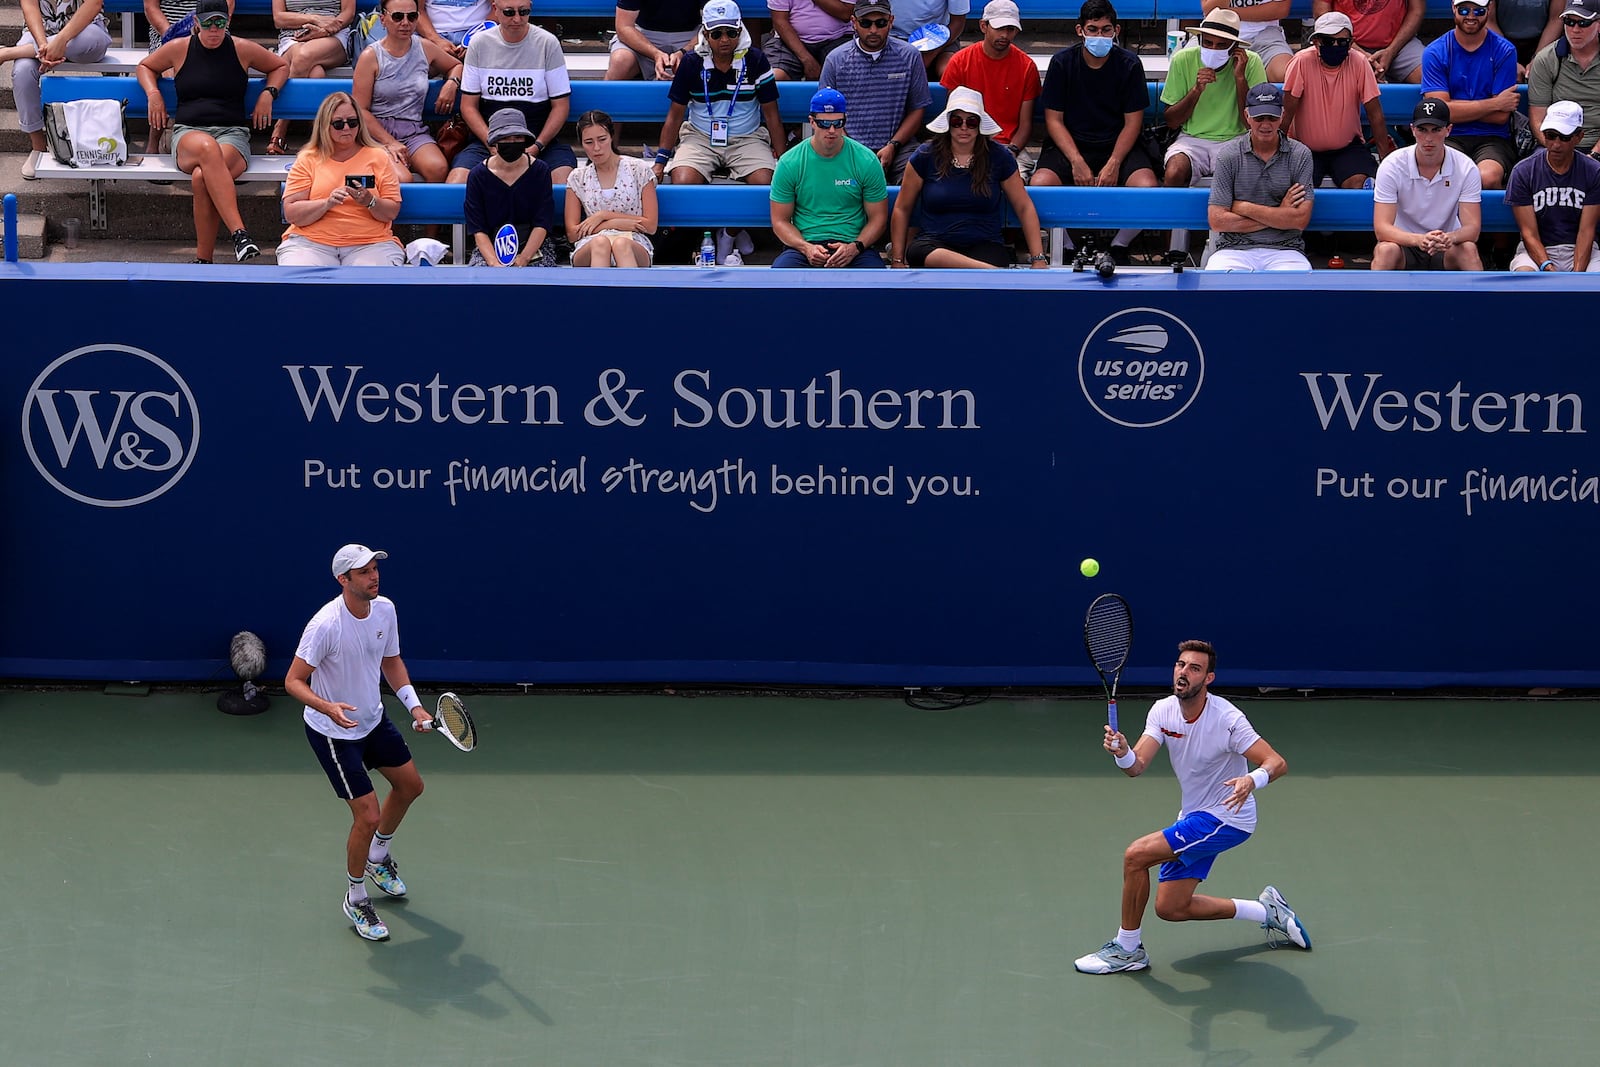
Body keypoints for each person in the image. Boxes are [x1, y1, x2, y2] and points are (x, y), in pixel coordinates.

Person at [1074, 639, 1309, 975]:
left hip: (1228, 817)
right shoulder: (1162, 710)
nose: (1183, 673)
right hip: (1195, 815)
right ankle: (1267, 912)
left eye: (1194, 668)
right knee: (1171, 907)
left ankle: (1127, 949)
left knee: (1135, 855)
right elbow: (1136, 766)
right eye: (1180, 665)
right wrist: (1122, 750)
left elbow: (1277, 762)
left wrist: (1250, 781)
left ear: (1208, 679)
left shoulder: (1228, 719)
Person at [286, 544, 432, 944]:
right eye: (363, 572)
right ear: (343, 580)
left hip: (372, 719)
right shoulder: (325, 625)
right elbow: (293, 681)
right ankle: (355, 897)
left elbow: (391, 661)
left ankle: (378, 858)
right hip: (333, 732)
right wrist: (327, 706)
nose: (374, 576)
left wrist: (415, 708)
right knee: (366, 816)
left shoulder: (385, 609)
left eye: (374, 569)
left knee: (410, 786)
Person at [138, 0, 288, 264]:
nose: (214, 29)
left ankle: (203, 260)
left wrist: (268, 92)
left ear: (227, 22)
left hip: (233, 133)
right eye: (208, 23)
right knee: (207, 147)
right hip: (189, 133)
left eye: (220, 22)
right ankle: (240, 234)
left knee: (200, 177)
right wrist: (153, 93)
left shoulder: (241, 48)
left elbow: (280, 66)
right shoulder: (180, 48)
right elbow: (145, 66)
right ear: (196, 24)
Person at [1031, 1, 1158, 263]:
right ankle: (1066, 247)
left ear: (1116, 30)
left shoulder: (1130, 64)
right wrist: (1076, 161)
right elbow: (1053, 120)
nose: (1099, 36)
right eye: (1093, 29)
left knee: (1147, 188)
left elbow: (1133, 122)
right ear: (1080, 30)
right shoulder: (1062, 63)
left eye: (1105, 29)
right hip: (1071, 144)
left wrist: (1114, 162)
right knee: (1039, 185)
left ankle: (1118, 246)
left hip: (1118, 144)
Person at [888, 86, 1046, 267]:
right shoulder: (925, 155)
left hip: (985, 245)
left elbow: (1023, 206)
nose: (964, 127)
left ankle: (984, 269)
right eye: (957, 121)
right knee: (918, 251)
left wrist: (1038, 258)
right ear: (948, 123)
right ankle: (990, 272)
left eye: (971, 122)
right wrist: (897, 260)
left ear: (979, 124)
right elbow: (902, 208)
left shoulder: (999, 156)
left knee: (995, 257)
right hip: (934, 244)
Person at [1160, 10, 1266, 255]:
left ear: (1234, 47)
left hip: (1236, 139)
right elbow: (1172, 121)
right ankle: (1171, 251)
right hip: (1192, 139)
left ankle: (1227, 248)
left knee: (1229, 175)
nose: (1213, 48)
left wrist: (1240, 79)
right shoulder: (1183, 59)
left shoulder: (1252, 62)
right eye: (1208, 42)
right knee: (1174, 171)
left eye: (1221, 45)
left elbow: (1253, 123)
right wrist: (1196, 90)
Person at [653, 2, 784, 187]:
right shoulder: (691, 62)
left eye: (731, 33)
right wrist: (660, 162)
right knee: (683, 181)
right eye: (716, 33)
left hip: (747, 138)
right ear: (705, 34)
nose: (724, 39)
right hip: (700, 137)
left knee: (765, 182)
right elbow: (675, 117)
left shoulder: (756, 59)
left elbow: (772, 115)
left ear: (740, 30)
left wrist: (785, 164)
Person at [450, 2, 575, 185]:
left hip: (538, 138)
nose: (517, 19)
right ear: (496, 10)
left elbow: (560, 105)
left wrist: (537, 146)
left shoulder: (547, 42)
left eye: (523, 12)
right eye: (509, 12)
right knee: (456, 183)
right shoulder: (480, 43)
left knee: (565, 184)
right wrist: (492, 145)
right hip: (489, 138)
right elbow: (468, 106)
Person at [278, 92, 407, 266]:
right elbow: (291, 212)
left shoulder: (379, 156)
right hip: (311, 242)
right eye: (338, 124)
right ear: (325, 126)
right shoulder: (308, 158)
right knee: (303, 284)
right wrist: (326, 203)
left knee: (372, 283)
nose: (346, 128)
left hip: (370, 243)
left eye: (352, 122)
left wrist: (370, 201)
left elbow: (391, 211)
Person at [770, 87, 889, 267]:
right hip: (804, 244)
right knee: (780, 277)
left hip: (854, 244)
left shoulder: (866, 160)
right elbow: (780, 221)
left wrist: (855, 247)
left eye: (838, 123)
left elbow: (878, 218)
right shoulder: (790, 162)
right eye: (824, 123)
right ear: (812, 122)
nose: (832, 130)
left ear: (845, 121)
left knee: (876, 282)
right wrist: (806, 247)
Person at [1205, 83, 1314, 271]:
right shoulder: (1228, 155)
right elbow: (1217, 220)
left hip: (1286, 250)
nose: (1265, 124)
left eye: (1271, 117)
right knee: (1218, 285)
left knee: (1298, 286)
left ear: (1281, 116)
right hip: (1233, 249)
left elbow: (1300, 220)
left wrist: (1244, 207)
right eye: (1259, 117)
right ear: (1247, 116)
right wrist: (1279, 215)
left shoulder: (1300, 154)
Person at [353, 0, 465, 184]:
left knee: (438, 169)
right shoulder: (370, 56)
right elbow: (361, 110)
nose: (405, 23)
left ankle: (427, 214)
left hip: (413, 130)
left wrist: (451, 83)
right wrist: (389, 142)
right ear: (383, 19)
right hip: (376, 132)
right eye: (397, 17)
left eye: (412, 17)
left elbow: (456, 65)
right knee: (401, 178)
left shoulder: (424, 47)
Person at [819, 0, 932, 181]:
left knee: (917, 178)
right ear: (854, 22)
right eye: (865, 23)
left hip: (899, 146)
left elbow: (917, 108)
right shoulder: (836, 59)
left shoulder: (910, 55)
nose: (873, 30)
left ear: (891, 21)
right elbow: (826, 113)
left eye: (880, 23)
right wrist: (851, 149)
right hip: (847, 146)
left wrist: (893, 145)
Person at [1282, 11, 1395, 190]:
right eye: (1328, 41)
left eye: (1342, 42)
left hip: (1347, 148)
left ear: (1351, 43)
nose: (1335, 45)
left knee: (1359, 184)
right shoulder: (1301, 62)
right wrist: (1278, 154)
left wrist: (1387, 161)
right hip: (1304, 149)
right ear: (1316, 42)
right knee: (1299, 190)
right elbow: (1287, 113)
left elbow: (1375, 114)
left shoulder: (1359, 62)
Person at [1371, 98, 1485, 269]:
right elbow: (1381, 229)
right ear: (1412, 130)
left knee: (1468, 249)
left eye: (1436, 130)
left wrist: (1450, 238)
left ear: (1448, 130)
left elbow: (1472, 229)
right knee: (1385, 251)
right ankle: (1375, 297)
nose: (1428, 138)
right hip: (1404, 244)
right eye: (1422, 130)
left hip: (1445, 246)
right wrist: (1418, 239)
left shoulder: (1465, 167)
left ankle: (1479, 297)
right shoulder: (1392, 165)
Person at [5, 0, 113, 181]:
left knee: (91, 40)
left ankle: (10, 52)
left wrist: (62, 40)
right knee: (22, 71)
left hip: (84, 30)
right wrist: (43, 44)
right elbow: (29, 7)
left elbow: (94, 4)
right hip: (40, 33)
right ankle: (38, 147)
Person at [1422, 2, 1520, 191]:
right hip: (1448, 134)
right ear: (1453, 8)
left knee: (1487, 178)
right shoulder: (1435, 51)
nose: (1471, 16)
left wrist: (1453, 107)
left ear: (1489, 10)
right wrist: (1495, 103)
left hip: (1493, 137)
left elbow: (1501, 116)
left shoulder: (1505, 50)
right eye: (1464, 10)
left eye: (1479, 10)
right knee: (1446, 178)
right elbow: (1439, 112)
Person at [1505, 99, 1600, 268]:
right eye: (1550, 135)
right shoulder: (1523, 171)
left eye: (1564, 137)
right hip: (1535, 250)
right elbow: (1529, 233)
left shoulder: (1594, 171)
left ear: (1579, 137)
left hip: (1582, 249)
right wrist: (1546, 265)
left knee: (1594, 280)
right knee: (1524, 275)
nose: (1556, 144)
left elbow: (1586, 231)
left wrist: (1577, 276)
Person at [938, 1, 1040, 157]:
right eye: (999, 28)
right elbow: (954, 117)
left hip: (1008, 146)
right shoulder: (960, 62)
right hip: (967, 144)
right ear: (983, 26)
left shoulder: (1027, 67)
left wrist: (1012, 151)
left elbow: (1025, 125)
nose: (1004, 35)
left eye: (1010, 29)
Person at [464, 107, 558, 266]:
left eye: (517, 137)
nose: (512, 143)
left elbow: (542, 222)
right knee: (482, 280)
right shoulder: (477, 175)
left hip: (534, 246)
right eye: (505, 138)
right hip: (490, 247)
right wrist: (494, 262)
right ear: (495, 142)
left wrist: (524, 258)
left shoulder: (540, 171)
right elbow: (478, 228)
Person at [566, 109, 658, 267]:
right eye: (589, 142)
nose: (596, 148)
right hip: (592, 242)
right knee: (600, 243)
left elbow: (650, 225)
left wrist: (603, 215)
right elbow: (573, 234)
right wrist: (613, 223)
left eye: (602, 139)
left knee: (621, 244)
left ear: (611, 137)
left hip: (633, 240)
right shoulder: (577, 177)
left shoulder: (639, 169)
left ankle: (628, 291)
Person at [265, 0, 355, 155]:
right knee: (315, 73)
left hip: (333, 35)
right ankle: (319, 137)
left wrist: (325, 30)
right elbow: (279, 18)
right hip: (293, 37)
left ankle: (280, 128)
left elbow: (348, 13)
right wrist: (313, 19)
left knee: (304, 56)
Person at [1527, 0, 1600, 155]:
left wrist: (1594, 155)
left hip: (1597, 145)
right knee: (1535, 166)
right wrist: (1556, 150)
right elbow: (1538, 120)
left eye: (1583, 23)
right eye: (1569, 22)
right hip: (1555, 144)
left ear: (1599, 23)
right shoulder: (1546, 59)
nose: (1575, 29)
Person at [1312, 0, 1427, 84]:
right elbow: (1322, 15)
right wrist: (1361, 55)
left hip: (1400, 44)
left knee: (1430, 76)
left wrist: (1391, 51)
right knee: (1319, 79)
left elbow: (1416, 10)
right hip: (1344, 43)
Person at [1200, 0, 1294, 82]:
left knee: (1288, 75)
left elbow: (1280, 9)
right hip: (1216, 33)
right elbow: (1210, 9)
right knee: (1192, 73)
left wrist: (1229, 14)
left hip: (1264, 34)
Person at [608, 0, 702, 81]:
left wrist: (684, 52)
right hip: (644, 33)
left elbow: (710, 27)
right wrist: (655, 54)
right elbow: (624, 26)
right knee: (620, 61)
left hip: (692, 35)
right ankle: (604, 100)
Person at [764, 0, 855, 81]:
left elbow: (846, 13)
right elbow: (780, 21)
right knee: (773, 78)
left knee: (847, 75)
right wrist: (807, 59)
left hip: (837, 38)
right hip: (789, 42)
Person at [889, 0, 966, 77]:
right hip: (895, 36)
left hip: (941, 37)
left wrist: (931, 54)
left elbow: (958, 22)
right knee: (894, 74)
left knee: (949, 73)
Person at [1489, 0, 1563, 70]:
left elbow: (1557, 19)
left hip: (1543, 41)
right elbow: (1489, 20)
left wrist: (1538, 58)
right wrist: (1507, 59)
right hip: (1501, 41)